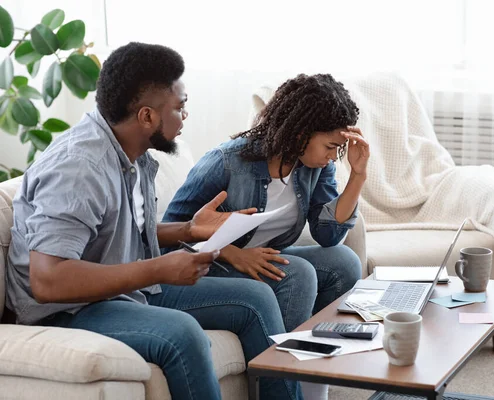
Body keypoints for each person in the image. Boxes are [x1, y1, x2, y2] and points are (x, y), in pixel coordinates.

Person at [5, 42, 302, 400]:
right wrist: (158, 269)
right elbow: (48, 280)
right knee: (183, 333)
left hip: (118, 288)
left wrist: (189, 230)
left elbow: (114, 234)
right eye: (180, 107)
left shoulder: (130, 154)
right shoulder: (79, 169)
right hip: (67, 309)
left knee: (256, 298)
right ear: (147, 116)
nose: (185, 117)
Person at [162, 73, 369, 333]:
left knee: (344, 261)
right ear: (301, 134)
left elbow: (328, 235)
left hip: (257, 258)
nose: (332, 157)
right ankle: (284, 365)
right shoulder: (225, 161)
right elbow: (169, 233)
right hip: (210, 263)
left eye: (337, 149)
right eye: (329, 146)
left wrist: (358, 175)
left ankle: (323, 352)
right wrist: (233, 254)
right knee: (299, 274)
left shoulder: (314, 167)